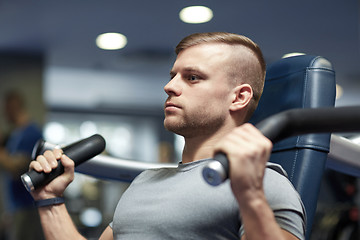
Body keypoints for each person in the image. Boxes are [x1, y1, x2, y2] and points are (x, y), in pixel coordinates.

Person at [28, 32, 306, 240]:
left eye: (192, 77)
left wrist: (251, 196)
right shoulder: (146, 181)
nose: (169, 86)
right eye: (173, 75)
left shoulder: (264, 183)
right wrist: (50, 199)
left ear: (239, 96)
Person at [0, 90, 44, 240]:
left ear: (13, 107)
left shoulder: (31, 134)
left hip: (27, 206)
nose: (4, 114)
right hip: (15, 206)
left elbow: (17, 169)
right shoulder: (15, 135)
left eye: (5, 109)